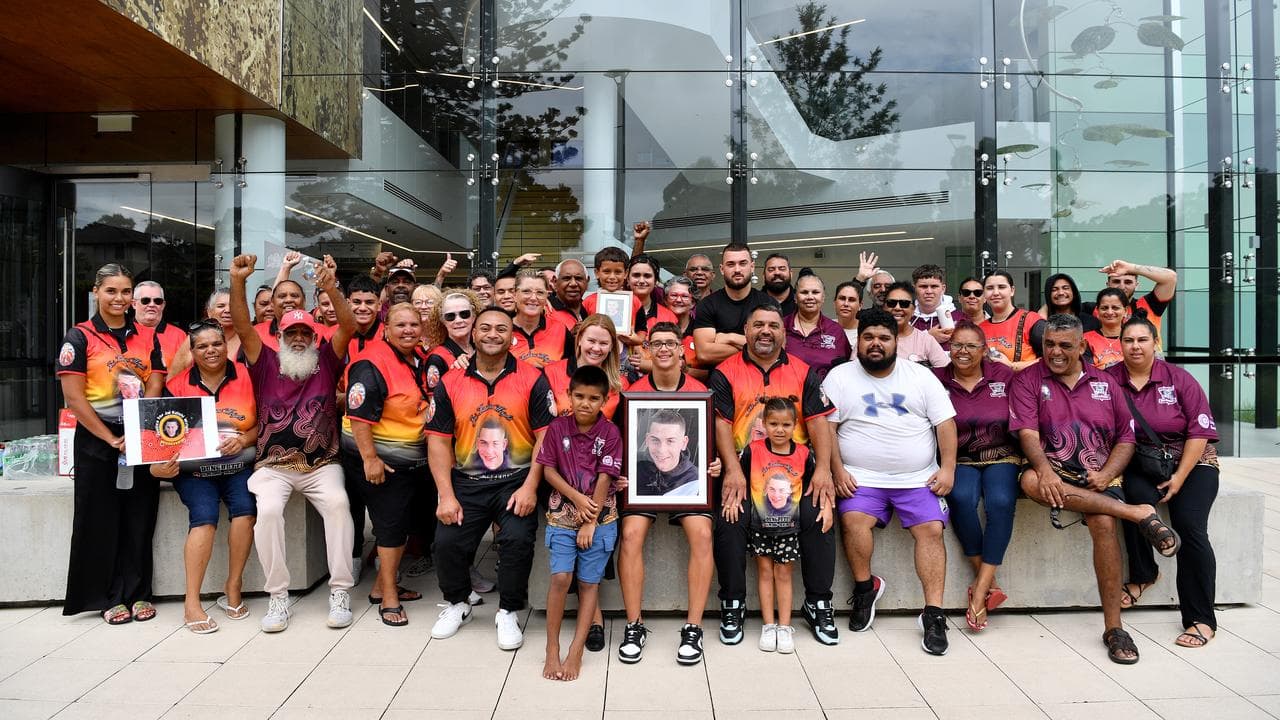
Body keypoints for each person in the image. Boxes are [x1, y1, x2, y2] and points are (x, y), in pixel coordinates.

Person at [1009, 313, 1182, 665]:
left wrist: (1107, 474)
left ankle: (1114, 628)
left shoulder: (1106, 382)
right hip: (1052, 470)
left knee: (1103, 523)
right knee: (1030, 482)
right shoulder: (1028, 379)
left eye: (1064, 345)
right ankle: (1137, 514)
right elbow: (1027, 432)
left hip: (1099, 475)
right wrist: (1045, 471)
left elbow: (1126, 439)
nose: (1055, 352)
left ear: (1082, 346)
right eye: (1049, 344)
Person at [229, 253, 358, 633]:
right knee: (268, 511)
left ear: (315, 337)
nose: (299, 339)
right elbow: (241, 324)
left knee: (339, 504)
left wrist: (332, 288)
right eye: (292, 334)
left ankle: (340, 590)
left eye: (305, 333)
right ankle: (278, 596)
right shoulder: (265, 361)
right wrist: (238, 281)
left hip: (322, 464)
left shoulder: (327, 361)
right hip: (273, 466)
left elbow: (348, 325)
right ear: (280, 336)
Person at [823, 308, 957, 656]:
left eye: (884, 338)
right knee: (854, 521)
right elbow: (827, 430)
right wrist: (837, 470)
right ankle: (865, 588)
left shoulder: (921, 377)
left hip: (917, 478)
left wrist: (948, 469)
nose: (876, 344)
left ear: (896, 341)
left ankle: (934, 613)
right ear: (858, 341)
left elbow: (945, 424)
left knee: (931, 530)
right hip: (861, 476)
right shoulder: (839, 377)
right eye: (868, 337)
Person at [708, 303, 839, 646]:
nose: (766, 331)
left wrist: (823, 471)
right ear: (746, 330)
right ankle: (733, 602)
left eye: (773, 325)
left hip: (796, 473)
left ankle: (818, 602)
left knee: (819, 515)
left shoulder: (803, 370)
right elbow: (721, 425)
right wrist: (733, 471)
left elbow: (819, 422)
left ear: (784, 332)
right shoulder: (725, 371)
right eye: (758, 325)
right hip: (745, 470)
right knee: (729, 520)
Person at [427, 306, 557, 650]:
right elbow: (438, 441)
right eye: (485, 328)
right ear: (473, 333)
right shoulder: (451, 381)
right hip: (467, 481)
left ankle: (508, 611)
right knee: (446, 542)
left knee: (516, 540)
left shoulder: (532, 377)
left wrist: (530, 486)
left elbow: (545, 437)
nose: (492, 334)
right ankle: (458, 603)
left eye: (501, 328)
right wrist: (445, 495)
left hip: (516, 479)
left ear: (512, 337)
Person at [57, 263, 167, 625]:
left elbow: (155, 381)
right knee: (100, 521)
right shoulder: (79, 337)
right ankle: (107, 597)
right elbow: (74, 398)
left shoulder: (147, 335)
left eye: (125, 292)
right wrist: (111, 439)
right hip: (97, 442)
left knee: (140, 518)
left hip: (140, 437)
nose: (119, 298)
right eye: (111, 291)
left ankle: (138, 592)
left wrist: (140, 428)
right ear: (96, 292)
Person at [1109, 317, 1220, 648]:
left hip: (1193, 463)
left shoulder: (1179, 378)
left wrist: (1179, 478)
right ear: (1120, 344)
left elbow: (1200, 432)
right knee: (1133, 504)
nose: (1135, 346)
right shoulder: (1108, 380)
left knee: (1190, 527)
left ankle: (1201, 618)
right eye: (1129, 340)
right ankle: (1144, 574)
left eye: (1142, 340)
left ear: (1155, 343)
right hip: (1141, 464)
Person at [616, 322, 721, 666]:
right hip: (641, 483)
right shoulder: (631, 392)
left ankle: (693, 626)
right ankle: (634, 625)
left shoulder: (700, 392)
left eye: (670, 343)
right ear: (646, 349)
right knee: (630, 535)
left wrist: (716, 463)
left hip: (688, 483)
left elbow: (714, 439)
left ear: (681, 349)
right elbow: (619, 439)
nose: (663, 349)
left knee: (702, 534)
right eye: (657, 343)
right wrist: (618, 472)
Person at [152, 319, 258, 634]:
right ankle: (192, 603)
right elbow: (158, 436)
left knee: (246, 510)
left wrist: (244, 439)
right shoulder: (176, 385)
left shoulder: (249, 376)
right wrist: (158, 468)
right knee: (204, 517)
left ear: (227, 346)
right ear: (192, 351)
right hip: (194, 471)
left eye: (217, 344)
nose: (211, 350)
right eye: (202, 346)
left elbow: (265, 422)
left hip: (237, 465)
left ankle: (233, 585)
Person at [341, 303, 433, 627]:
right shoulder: (370, 363)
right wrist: (370, 459)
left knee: (402, 523)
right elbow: (359, 415)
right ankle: (389, 598)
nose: (408, 330)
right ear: (386, 329)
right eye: (400, 325)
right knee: (390, 526)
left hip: (409, 460)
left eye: (413, 324)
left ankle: (381, 587)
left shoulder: (418, 357)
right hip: (378, 459)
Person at [537, 365, 624, 681]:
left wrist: (590, 522)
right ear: (569, 395)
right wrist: (575, 497)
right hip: (562, 516)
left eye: (593, 398)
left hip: (600, 520)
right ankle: (552, 648)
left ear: (604, 400)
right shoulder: (557, 428)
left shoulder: (610, 433)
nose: (585, 403)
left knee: (589, 584)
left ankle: (576, 651)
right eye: (579, 396)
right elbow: (548, 470)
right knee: (561, 578)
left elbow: (605, 477)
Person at [933, 323, 1020, 632]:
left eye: (971, 346)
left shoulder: (1003, 376)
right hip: (959, 458)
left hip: (1002, 454)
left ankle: (980, 589)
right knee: (959, 497)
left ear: (984, 350)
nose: (963, 352)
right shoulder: (936, 378)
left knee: (1001, 501)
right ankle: (990, 584)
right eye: (957, 345)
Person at [743, 399, 826, 654]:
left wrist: (826, 507)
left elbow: (815, 487)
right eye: (773, 424)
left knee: (784, 575)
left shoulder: (803, 454)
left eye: (786, 425)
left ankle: (784, 626)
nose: (779, 430)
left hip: (789, 528)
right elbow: (740, 482)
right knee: (765, 573)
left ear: (795, 425)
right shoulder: (753, 450)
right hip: (760, 526)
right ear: (764, 424)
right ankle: (769, 625)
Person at [690, 242, 773, 367]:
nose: (737, 270)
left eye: (743, 263)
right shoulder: (707, 305)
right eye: (731, 264)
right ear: (722, 269)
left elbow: (776, 348)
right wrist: (755, 348)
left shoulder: (768, 304)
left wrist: (729, 338)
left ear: (752, 267)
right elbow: (704, 354)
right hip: (721, 377)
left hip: (760, 377)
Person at [544, 314, 628, 420]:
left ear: (611, 346)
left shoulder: (620, 384)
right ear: (579, 339)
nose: (596, 348)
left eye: (603, 343)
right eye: (591, 341)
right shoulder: (551, 373)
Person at [1091, 258, 1178, 348]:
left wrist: (1130, 268)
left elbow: (1171, 277)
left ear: (1136, 285)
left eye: (1128, 282)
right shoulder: (1095, 309)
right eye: (1116, 281)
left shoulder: (1147, 305)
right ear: (1108, 284)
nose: (1122, 286)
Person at [782, 271, 850, 379]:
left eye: (815, 292)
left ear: (823, 297)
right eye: (804, 292)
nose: (810, 297)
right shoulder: (781, 326)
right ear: (795, 297)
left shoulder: (836, 330)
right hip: (787, 388)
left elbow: (846, 369)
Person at [980, 270, 1045, 371]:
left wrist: (1012, 366)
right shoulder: (980, 329)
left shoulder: (1031, 321)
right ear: (984, 293)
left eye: (1001, 287)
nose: (995, 293)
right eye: (990, 288)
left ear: (1012, 290)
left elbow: (1051, 358)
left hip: (1026, 380)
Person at [511, 271, 572, 369]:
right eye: (526, 291)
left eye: (540, 292)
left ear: (546, 296)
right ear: (514, 295)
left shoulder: (560, 329)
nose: (533, 298)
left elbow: (571, 369)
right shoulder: (503, 330)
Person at [424, 290, 482, 388]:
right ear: (442, 320)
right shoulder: (437, 358)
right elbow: (434, 396)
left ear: (473, 316)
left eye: (464, 314)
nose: (458, 320)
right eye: (450, 316)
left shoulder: (481, 348)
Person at [885, 282, 949, 368]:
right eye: (891, 303)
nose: (897, 308)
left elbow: (945, 371)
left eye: (904, 303)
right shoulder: (872, 338)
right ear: (884, 307)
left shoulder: (926, 340)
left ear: (913, 309)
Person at [636, 409, 699, 496]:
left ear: (684, 443)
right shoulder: (632, 465)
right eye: (655, 440)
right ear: (647, 440)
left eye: (670, 441)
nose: (661, 450)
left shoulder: (697, 482)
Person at [132, 280, 187, 367]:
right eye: (145, 300)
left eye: (157, 301)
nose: (152, 304)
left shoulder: (179, 336)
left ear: (163, 305)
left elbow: (186, 369)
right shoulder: (122, 333)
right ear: (134, 304)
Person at [910, 265, 964, 348]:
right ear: (914, 288)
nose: (929, 291)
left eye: (934, 286)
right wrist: (928, 337)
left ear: (943, 289)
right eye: (923, 286)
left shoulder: (960, 319)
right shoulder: (905, 317)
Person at [1084, 288, 1128, 369]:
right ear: (1097, 311)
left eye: (1115, 308)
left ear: (1125, 311)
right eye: (1104, 308)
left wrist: (1103, 367)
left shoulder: (1134, 338)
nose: (1110, 312)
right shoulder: (1086, 339)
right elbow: (1088, 370)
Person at [581, 246, 629, 315]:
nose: (612, 277)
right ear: (597, 273)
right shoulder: (588, 302)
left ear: (626, 274)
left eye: (618, 272)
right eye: (607, 271)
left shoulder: (633, 301)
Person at [548, 258, 589, 330]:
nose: (573, 284)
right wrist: (568, 336)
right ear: (555, 282)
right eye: (566, 278)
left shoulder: (590, 309)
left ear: (587, 282)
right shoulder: (544, 310)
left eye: (578, 278)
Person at [834, 280, 864, 348]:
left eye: (851, 300)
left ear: (860, 305)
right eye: (842, 298)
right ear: (835, 303)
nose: (846, 304)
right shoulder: (824, 327)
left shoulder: (865, 332)